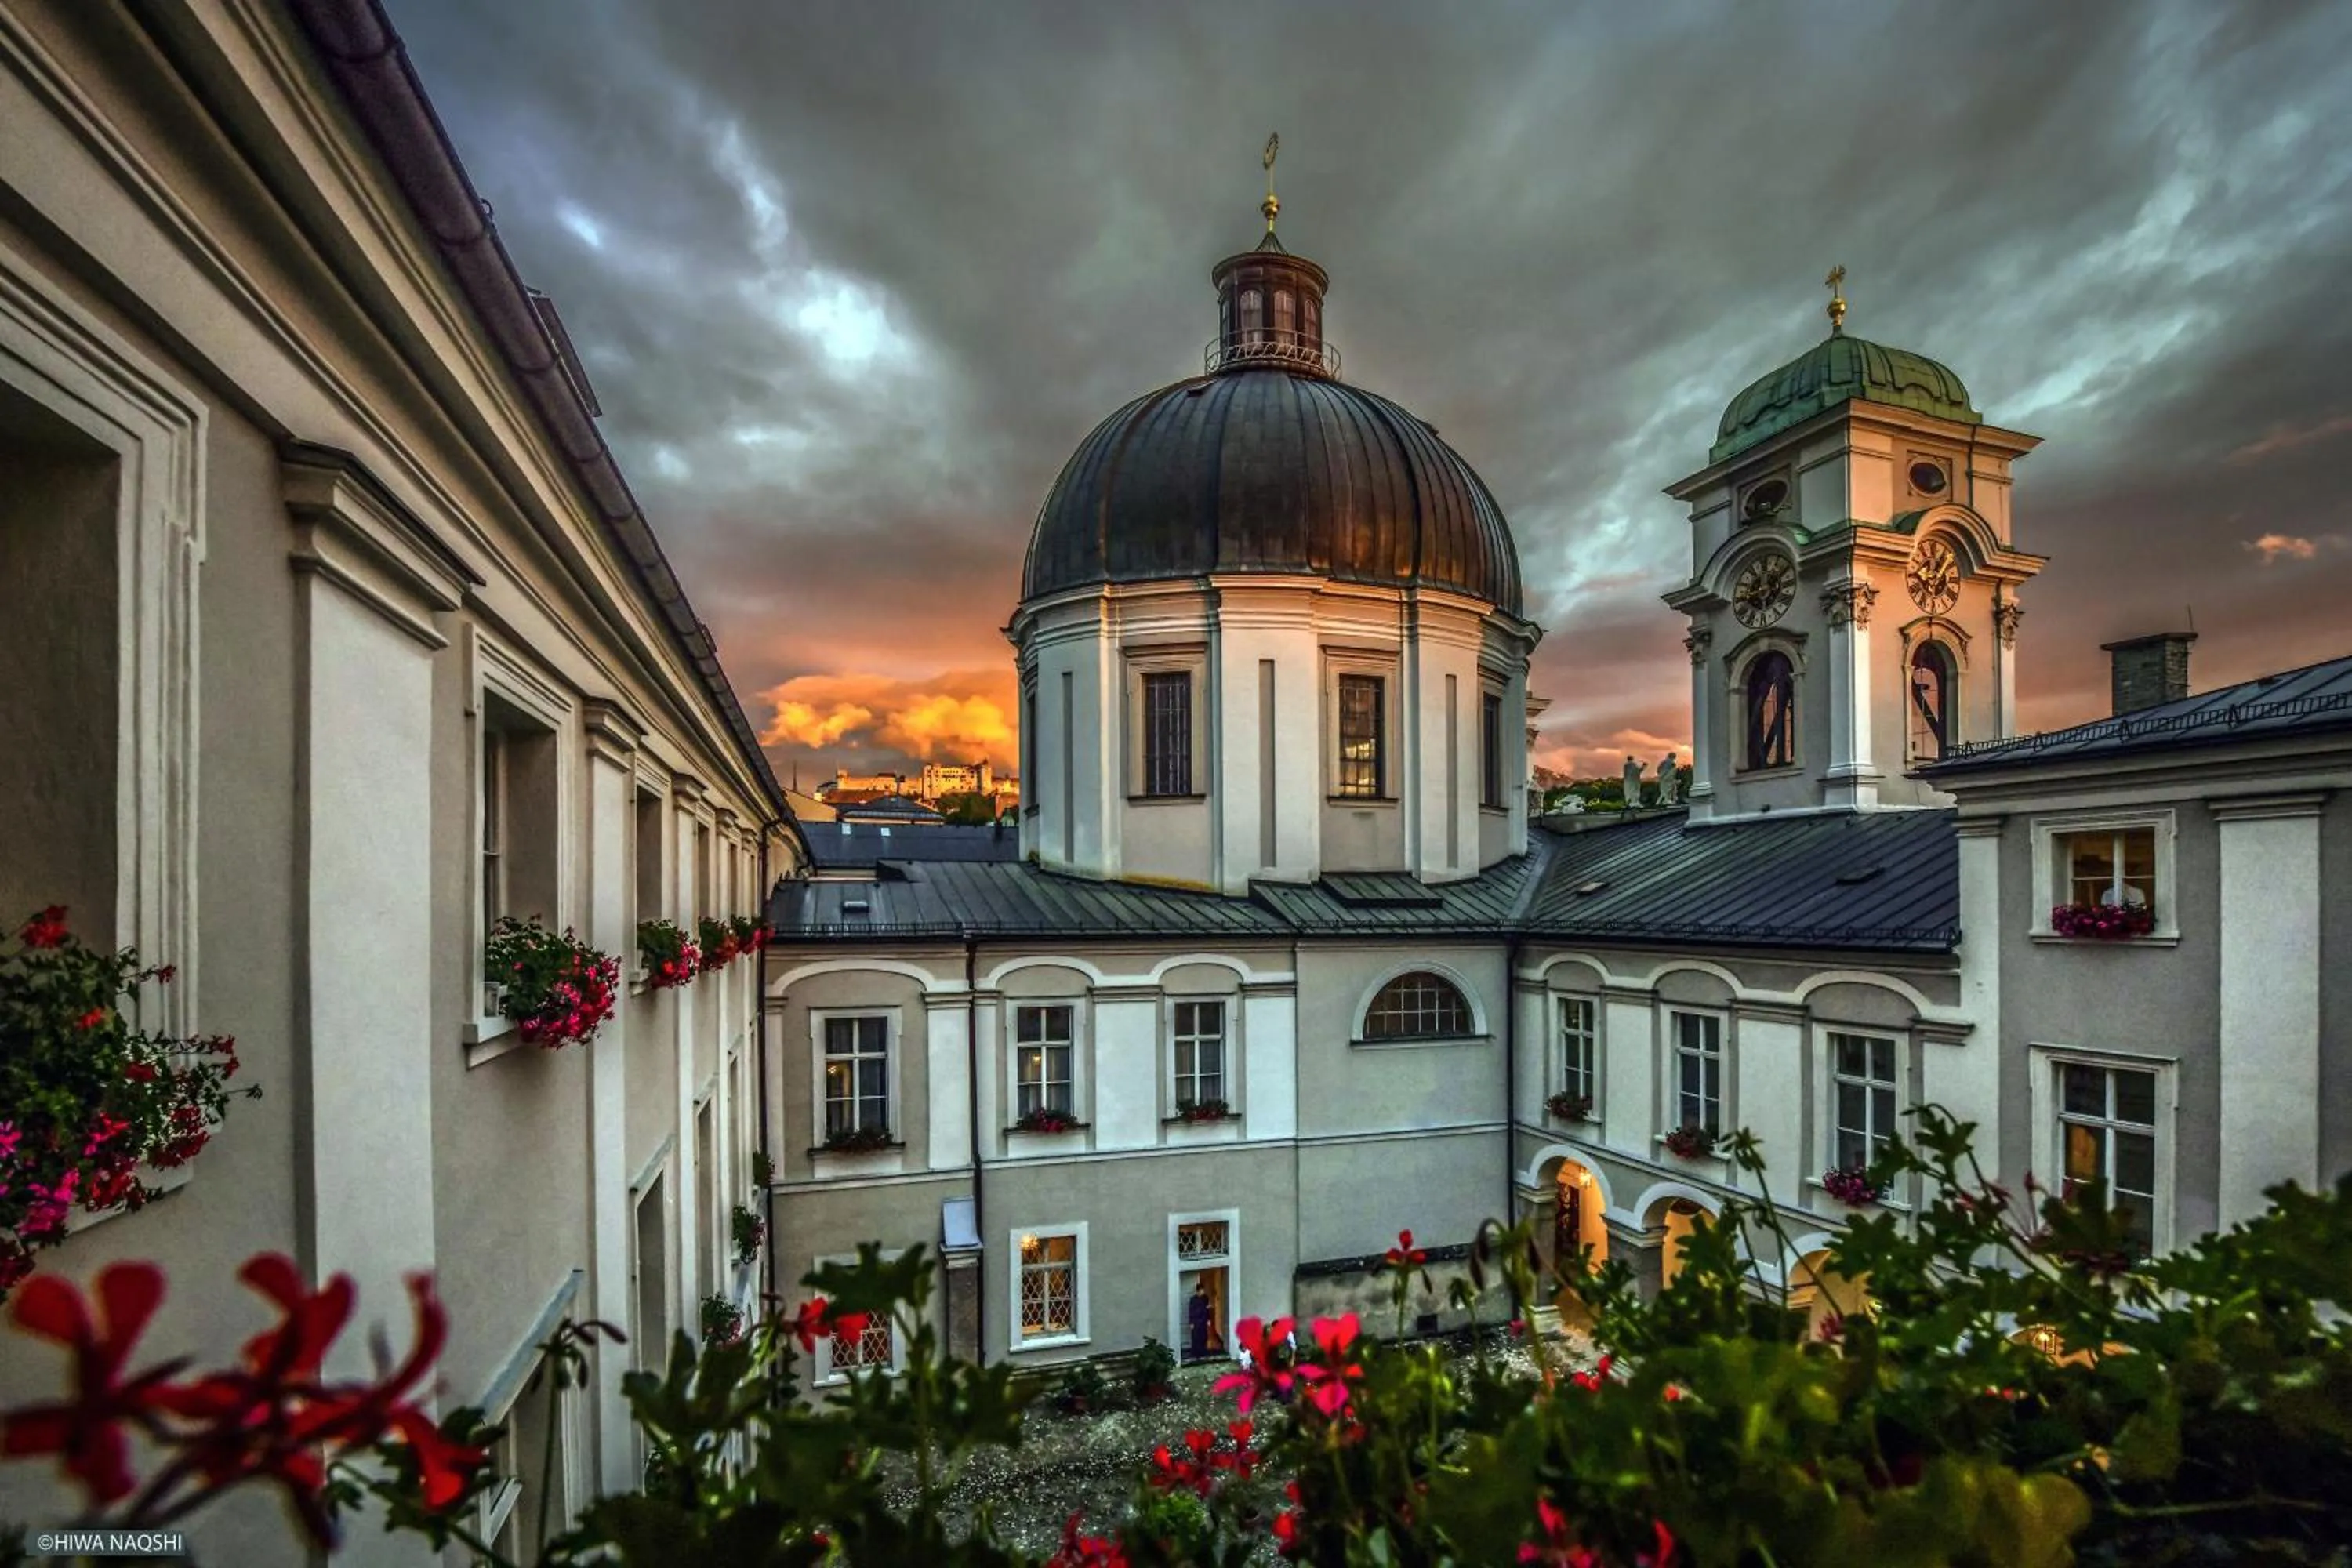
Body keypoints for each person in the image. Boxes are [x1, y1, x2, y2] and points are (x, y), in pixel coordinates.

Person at [1188, 1279, 1216, 1362]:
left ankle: (1203, 1351)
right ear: (1198, 1291)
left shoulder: (1205, 1298)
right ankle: (1196, 1353)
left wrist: (1209, 1319)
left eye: (1203, 1290)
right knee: (1196, 1337)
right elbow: (1191, 1311)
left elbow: (1207, 1309)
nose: (1203, 1292)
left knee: (1204, 1336)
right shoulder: (1193, 1300)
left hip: (1203, 1320)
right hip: (1196, 1321)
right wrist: (1191, 1322)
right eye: (1201, 1291)